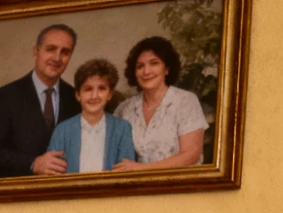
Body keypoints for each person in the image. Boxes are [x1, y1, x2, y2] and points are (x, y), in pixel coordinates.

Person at [0, 23, 80, 177]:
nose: (57, 57)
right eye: (51, 49)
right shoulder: (4, 96)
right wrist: (33, 163)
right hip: (13, 193)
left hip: (61, 194)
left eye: (65, 52)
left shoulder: (77, 99)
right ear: (36, 52)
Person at [117, 35, 207, 169]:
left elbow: (191, 154)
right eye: (140, 66)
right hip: (139, 187)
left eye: (154, 63)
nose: (146, 71)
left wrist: (141, 169)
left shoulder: (185, 101)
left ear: (167, 69)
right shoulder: (124, 109)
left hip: (183, 184)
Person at [45, 59, 137, 174]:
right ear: (78, 95)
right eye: (88, 89)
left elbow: (126, 173)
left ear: (109, 94)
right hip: (72, 191)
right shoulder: (62, 130)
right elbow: (53, 174)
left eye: (101, 89)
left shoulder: (122, 128)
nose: (94, 96)